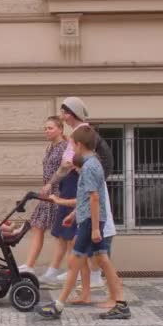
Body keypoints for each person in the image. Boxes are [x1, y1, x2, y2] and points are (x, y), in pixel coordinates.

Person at [36, 126, 131, 320]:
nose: (70, 147)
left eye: (71, 144)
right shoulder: (93, 163)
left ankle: (58, 305)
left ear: (79, 145)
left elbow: (94, 198)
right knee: (102, 259)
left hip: (91, 222)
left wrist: (95, 228)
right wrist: (74, 214)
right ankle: (120, 302)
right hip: (90, 218)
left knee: (74, 262)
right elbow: (86, 198)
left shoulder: (88, 167)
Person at [44, 97, 117, 290]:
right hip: (90, 209)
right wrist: (74, 213)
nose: (62, 117)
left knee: (94, 248)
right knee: (85, 247)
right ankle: (85, 285)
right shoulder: (85, 141)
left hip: (94, 212)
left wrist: (51, 184)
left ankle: (104, 286)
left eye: (64, 113)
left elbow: (68, 167)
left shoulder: (86, 152)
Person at [18, 116, 68, 277]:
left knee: (60, 234)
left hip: (59, 194)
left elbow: (66, 170)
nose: (46, 131)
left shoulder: (65, 147)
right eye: (45, 128)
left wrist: (51, 185)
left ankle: (53, 270)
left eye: (50, 128)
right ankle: (30, 265)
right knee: (37, 226)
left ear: (60, 129)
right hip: (47, 195)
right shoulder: (50, 147)